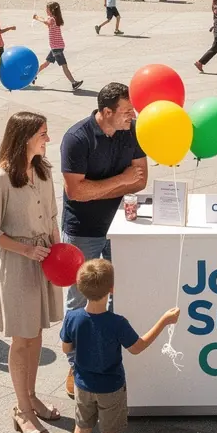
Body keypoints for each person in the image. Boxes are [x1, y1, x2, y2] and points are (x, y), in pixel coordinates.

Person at [61, 259, 179, 433]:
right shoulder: (117, 323)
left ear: (80, 287)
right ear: (111, 289)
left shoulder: (72, 318)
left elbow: (65, 348)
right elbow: (138, 347)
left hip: (83, 385)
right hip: (111, 388)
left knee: (81, 429)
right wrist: (164, 321)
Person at [0, 112, 63, 433]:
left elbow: (53, 216)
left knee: (37, 332)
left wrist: (60, 254)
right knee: (21, 338)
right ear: (25, 137)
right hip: (17, 265)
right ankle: (21, 410)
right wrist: (25, 251)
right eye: (43, 133)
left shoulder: (43, 170)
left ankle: (31, 396)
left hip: (45, 260)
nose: (48, 139)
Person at [60, 82, 148, 398]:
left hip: (121, 225)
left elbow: (140, 179)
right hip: (83, 230)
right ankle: (76, 365)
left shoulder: (132, 130)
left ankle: (107, 356)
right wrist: (121, 181)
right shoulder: (77, 138)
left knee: (116, 295)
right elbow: (76, 192)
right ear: (107, 112)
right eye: (126, 111)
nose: (133, 116)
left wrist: (104, 187)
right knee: (80, 299)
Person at [33, 2, 83, 90]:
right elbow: (45, 20)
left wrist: (36, 18)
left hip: (56, 47)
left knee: (62, 65)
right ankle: (34, 75)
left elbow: (46, 22)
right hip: (57, 47)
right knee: (47, 63)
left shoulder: (52, 19)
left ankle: (73, 83)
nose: (46, 10)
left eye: (47, 9)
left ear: (51, 10)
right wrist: (38, 17)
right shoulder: (55, 18)